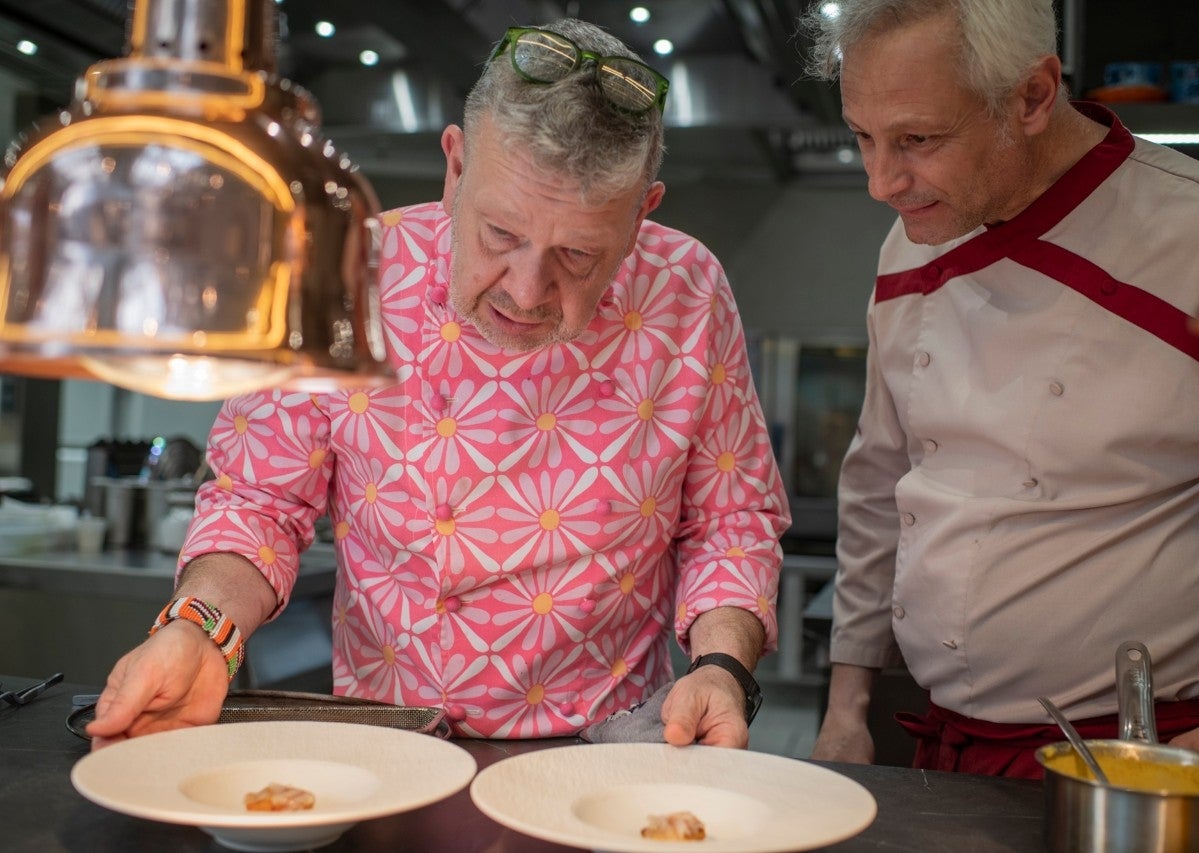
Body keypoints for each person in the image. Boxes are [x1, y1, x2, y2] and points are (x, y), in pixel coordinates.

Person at [86, 18, 788, 749]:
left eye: (577, 255)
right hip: (386, 740)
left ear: (641, 217)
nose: (525, 289)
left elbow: (730, 519)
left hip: (608, 748)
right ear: (454, 167)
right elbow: (260, 499)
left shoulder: (687, 292)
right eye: (500, 235)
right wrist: (201, 627)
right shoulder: (345, 271)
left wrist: (721, 665)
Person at [801, 0, 1199, 778]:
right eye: (863, 136)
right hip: (944, 750)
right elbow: (879, 482)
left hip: (1145, 762)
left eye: (917, 139)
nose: (881, 182)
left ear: (1032, 95)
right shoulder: (908, 242)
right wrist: (846, 706)